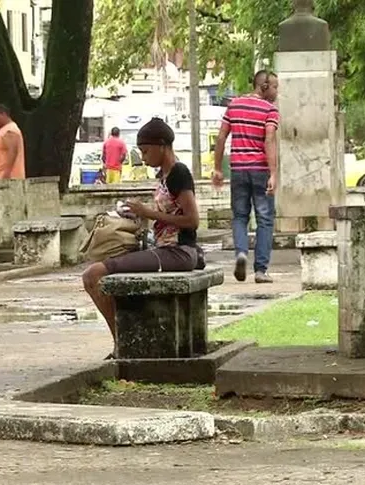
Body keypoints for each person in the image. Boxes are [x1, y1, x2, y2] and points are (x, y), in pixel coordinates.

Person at [81, 118, 203, 358]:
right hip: (164, 248)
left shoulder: (179, 172)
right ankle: (124, 340)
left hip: (178, 251)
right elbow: (167, 214)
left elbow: (192, 220)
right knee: (101, 269)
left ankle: (122, 344)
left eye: (146, 151)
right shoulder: (164, 175)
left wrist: (148, 212)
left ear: (162, 146)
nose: (144, 157)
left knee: (93, 275)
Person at [211, 70, 279, 284]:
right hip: (260, 170)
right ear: (264, 86)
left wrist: (217, 168)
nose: (278, 91)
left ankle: (241, 253)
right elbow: (269, 140)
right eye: (275, 87)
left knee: (240, 217)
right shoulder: (270, 109)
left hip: (238, 170)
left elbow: (221, 136)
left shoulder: (234, 105)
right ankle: (260, 270)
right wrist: (274, 173)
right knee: (265, 219)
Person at [0, 103, 25, 179]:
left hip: (9, 179)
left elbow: (12, 152)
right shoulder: (4, 130)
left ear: (3, 114)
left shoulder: (10, 130)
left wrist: (6, 175)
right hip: (0, 178)